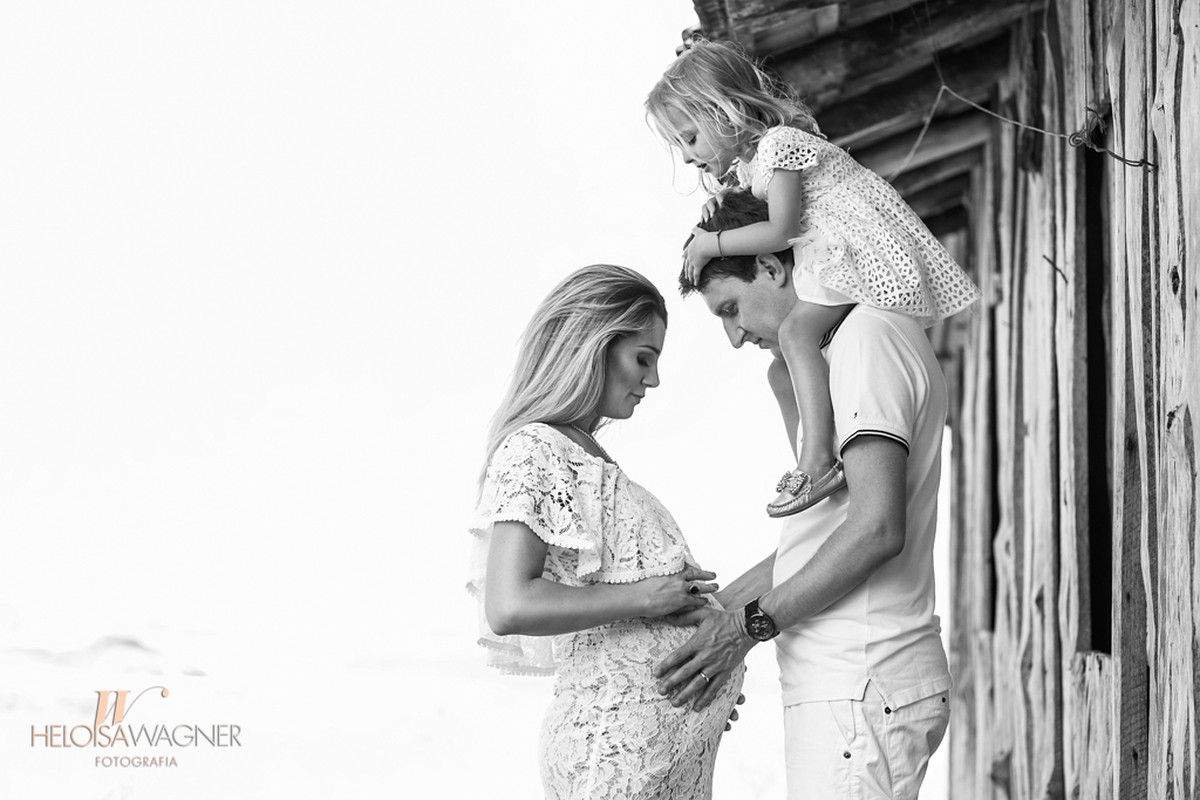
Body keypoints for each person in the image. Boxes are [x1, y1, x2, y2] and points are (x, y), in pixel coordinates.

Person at [654, 192, 952, 799]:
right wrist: (716, 614)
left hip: (863, 680)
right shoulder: (830, 356)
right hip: (847, 687)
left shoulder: (868, 338)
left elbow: (874, 529)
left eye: (731, 310)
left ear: (772, 267)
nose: (736, 337)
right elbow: (822, 537)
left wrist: (746, 627)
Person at [646, 38, 979, 517]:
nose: (687, 156)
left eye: (691, 137)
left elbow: (779, 228)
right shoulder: (753, 165)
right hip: (830, 252)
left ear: (726, 112)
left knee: (796, 332)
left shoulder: (779, 146)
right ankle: (813, 458)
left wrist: (710, 245)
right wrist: (718, 208)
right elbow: (746, 208)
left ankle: (820, 458)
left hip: (855, 249)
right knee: (783, 362)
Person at [468, 264, 746, 799]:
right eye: (644, 358)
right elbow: (508, 605)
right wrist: (650, 597)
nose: (654, 380)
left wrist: (704, 673)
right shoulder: (535, 448)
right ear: (593, 345)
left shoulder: (592, 459)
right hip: (613, 760)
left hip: (660, 763)